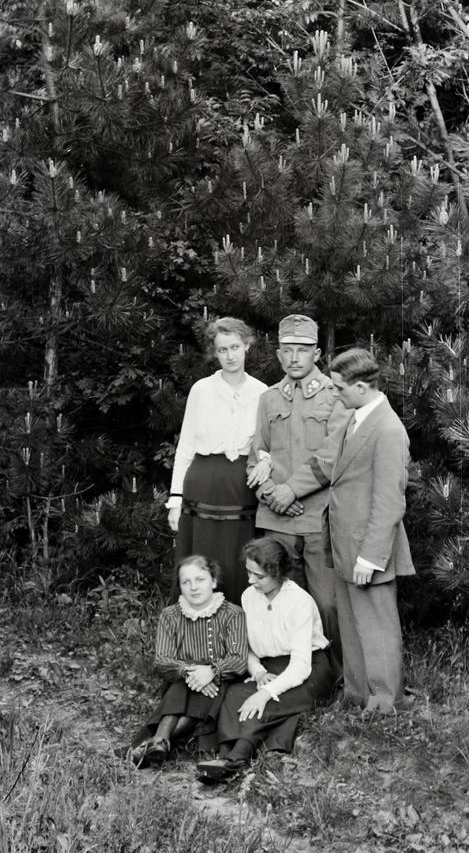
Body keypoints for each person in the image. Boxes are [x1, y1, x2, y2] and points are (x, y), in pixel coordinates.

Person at [245, 313, 345, 664]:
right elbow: (256, 456)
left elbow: (335, 456)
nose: (294, 358)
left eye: (302, 350)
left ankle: (332, 672)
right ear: (278, 354)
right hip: (276, 519)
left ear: (317, 353)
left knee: (327, 602)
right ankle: (292, 670)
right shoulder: (269, 399)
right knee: (282, 598)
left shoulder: (336, 396)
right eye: (287, 350)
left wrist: (292, 491)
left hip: (319, 517)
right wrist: (271, 494)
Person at [196, 536, 335, 783]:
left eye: (258, 576)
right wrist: (258, 672)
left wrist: (266, 691)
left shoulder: (299, 601)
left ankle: (237, 757)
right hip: (270, 666)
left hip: (309, 668)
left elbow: (300, 666)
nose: (251, 581)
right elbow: (246, 645)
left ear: (278, 573)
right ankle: (224, 758)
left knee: (266, 701)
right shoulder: (250, 596)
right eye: (249, 573)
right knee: (236, 694)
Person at [322, 347, 414, 713]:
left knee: (376, 626)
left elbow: (390, 501)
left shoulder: (389, 429)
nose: (335, 394)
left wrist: (370, 557)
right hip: (345, 542)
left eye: (339, 388)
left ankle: (385, 702)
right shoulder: (355, 415)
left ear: (361, 387)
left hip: (367, 549)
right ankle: (357, 695)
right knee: (351, 623)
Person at [167, 317, 267, 603]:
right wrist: (176, 499)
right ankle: (194, 632)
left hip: (241, 484)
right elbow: (185, 447)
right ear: (214, 352)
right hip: (203, 482)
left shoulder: (263, 392)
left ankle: (239, 627)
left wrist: (266, 462)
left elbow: (269, 444)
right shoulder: (202, 390)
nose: (230, 355)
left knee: (240, 554)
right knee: (201, 555)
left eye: (235, 347)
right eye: (222, 350)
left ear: (247, 345)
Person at [128, 554, 249, 768]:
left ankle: (156, 741)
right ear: (180, 586)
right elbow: (163, 660)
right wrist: (190, 671)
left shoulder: (233, 614)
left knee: (206, 690)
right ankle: (161, 741)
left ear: (213, 581)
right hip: (181, 681)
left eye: (200, 580)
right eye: (186, 582)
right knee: (180, 685)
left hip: (220, 682)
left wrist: (212, 671)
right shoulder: (171, 615)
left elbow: (239, 660)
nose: (193, 587)